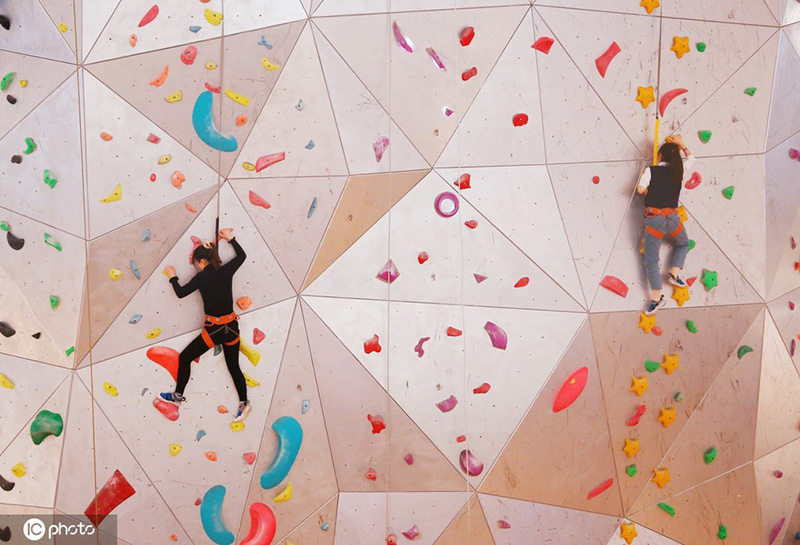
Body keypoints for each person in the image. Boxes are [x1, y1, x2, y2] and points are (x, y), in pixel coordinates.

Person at [160, 228, 251, 422]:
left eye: (196, 265)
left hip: (215, 331)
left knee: (184, 358)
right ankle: (245, 403)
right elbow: (242, 256)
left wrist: (172, 276)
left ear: (202, 262)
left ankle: (177, 397)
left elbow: (180, 293)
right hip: (232, 328)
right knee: (233, 365)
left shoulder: (201, 278)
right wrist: (230, 239)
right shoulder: (226, 270)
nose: (197, 268)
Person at [636, 134, 696, 315]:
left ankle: (657, 299)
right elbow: (692, 159)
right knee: (683, 243)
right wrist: (681, 144)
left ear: (660, 156)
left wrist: (651, 189)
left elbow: (640, 190)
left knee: (651, 260)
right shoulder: (680, 171)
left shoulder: (651, 171)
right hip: (672, 218)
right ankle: (674, 273)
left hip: (654, 220)